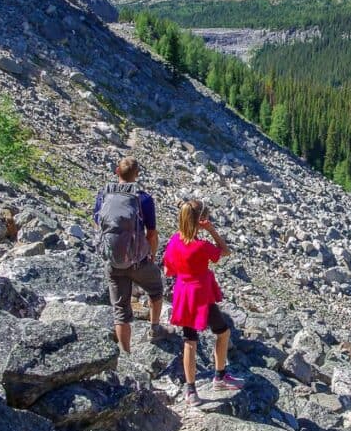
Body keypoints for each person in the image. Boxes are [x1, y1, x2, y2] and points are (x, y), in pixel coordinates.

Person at [163, 199, 243, 405]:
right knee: (222, 332)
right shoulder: (202, 245)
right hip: (202, 295)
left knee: (190, 341)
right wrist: (212, 230)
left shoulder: (174, 241)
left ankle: (191, 391)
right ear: (201, 221)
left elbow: (168, 270)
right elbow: (225, 251)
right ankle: (220, 375)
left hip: (183, 294)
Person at [93, 156, 167, 353]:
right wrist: (151, 255)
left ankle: (125, 353)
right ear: (137, 175)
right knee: (156, 289)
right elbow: (151, 233)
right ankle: (155, 328)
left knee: (120, 311)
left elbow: (97, 224)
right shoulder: (143, 199)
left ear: (117, 171)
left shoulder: (103, 196)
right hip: (138, 261)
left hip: (113, 263)